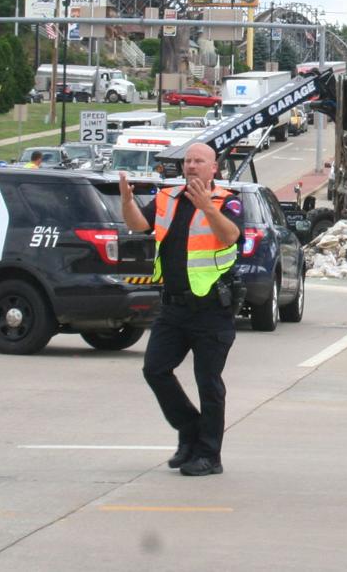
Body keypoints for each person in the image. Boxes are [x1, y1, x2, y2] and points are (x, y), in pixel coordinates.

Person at [119, 143, 244, 477]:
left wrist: (207, 208)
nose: (191, 166)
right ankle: (190, 430)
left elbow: (231, 236)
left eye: (199, 161)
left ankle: (209, 455)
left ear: (213, 168)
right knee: (155, 369)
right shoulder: (167, 197)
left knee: (208, 383)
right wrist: (127, 201)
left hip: (211, 309)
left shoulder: (227, 201)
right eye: (188, 161)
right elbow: (138, 225)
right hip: (173, 307)